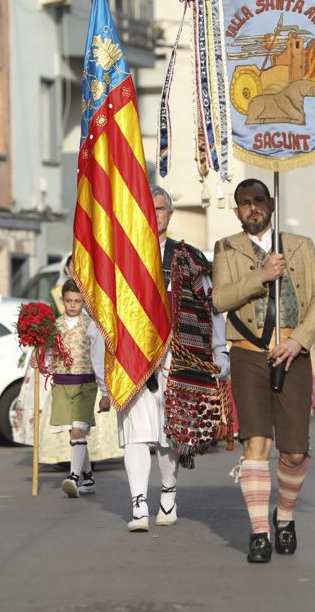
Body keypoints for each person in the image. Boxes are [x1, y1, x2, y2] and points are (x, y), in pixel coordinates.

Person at [212, 178, 315, 563]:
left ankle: (285, 516)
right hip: (248, 355)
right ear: (237, 210)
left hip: (293, 353)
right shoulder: (226, 248)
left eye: (258, 200)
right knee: (256, 444)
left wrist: (299, 340)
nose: (252, 208)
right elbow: (219, 299)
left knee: (294, 451)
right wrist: (260, 276)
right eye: (244, 203)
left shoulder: (300, 246)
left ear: (271, 202)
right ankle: (260, 532)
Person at [119, 185, 230, 532]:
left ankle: (167, 492)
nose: (155, 215)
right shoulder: (125, 255)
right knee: (136, 432)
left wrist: (220, 352)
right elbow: (105, 316)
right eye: (149, 209)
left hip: (179, 357)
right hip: (133, 357)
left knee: (170, 433)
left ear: (170, 213)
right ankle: (138, 504)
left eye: (161, 209)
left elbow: (211, 308)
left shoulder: (189, 257)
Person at [50, 279, 110, 498]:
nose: (73, 305)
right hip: (62, 384)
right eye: (68, 300)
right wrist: (40, 361)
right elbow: (48, 353)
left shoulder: (92, 325)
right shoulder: (55, 325)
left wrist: (105, 392)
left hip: (85, 382)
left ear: (84, 301)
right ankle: (88, 478)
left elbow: (98, 358)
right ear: (62, 300)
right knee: (74, 434)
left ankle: (73, 477)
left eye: (77, 301)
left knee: (78, 430)